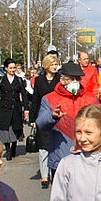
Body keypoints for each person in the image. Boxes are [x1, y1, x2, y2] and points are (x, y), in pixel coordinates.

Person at [36, 61, 99, 188]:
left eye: (78, 79)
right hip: (61, 158)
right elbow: (41, 123)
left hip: (87, 158)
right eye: (72, 79)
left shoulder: (91, 99)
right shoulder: (49, 99)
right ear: (63, 79)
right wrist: (52, 116)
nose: (76, 82)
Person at [0, 58, 28, 161]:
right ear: (5, 68)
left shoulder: (19, 80)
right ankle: (8, 150)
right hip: (4, 109)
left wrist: (26, 109)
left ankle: (14, 146)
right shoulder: (1, 79)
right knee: (5, 129)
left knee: (15, 128)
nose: (13, 70)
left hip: (16, 108)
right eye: (10, 68)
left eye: (14, 67)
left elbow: (24, 95)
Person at [30, 54, 60, 188]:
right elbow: (35, 99)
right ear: (46, 65)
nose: (55, 67)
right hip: (42, 116)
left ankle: (56, 172)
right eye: (52, 64)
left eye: (56, 64)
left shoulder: (60, 79)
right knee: (43, 148)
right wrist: (32, 118)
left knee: (56, 146)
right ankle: (44, 176)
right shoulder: (39, 80)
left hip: (58, 116)